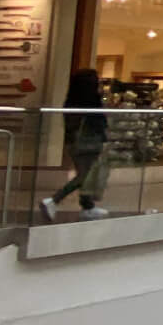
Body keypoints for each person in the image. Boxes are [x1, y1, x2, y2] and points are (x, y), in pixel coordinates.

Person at [40, 69, 110, 220]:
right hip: (88, 143)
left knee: (84, 174)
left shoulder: (72, 101)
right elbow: (99, 122)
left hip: (74, 143)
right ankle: (54, 200)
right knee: (85, 175)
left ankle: (87, 206)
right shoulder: (91, 101)